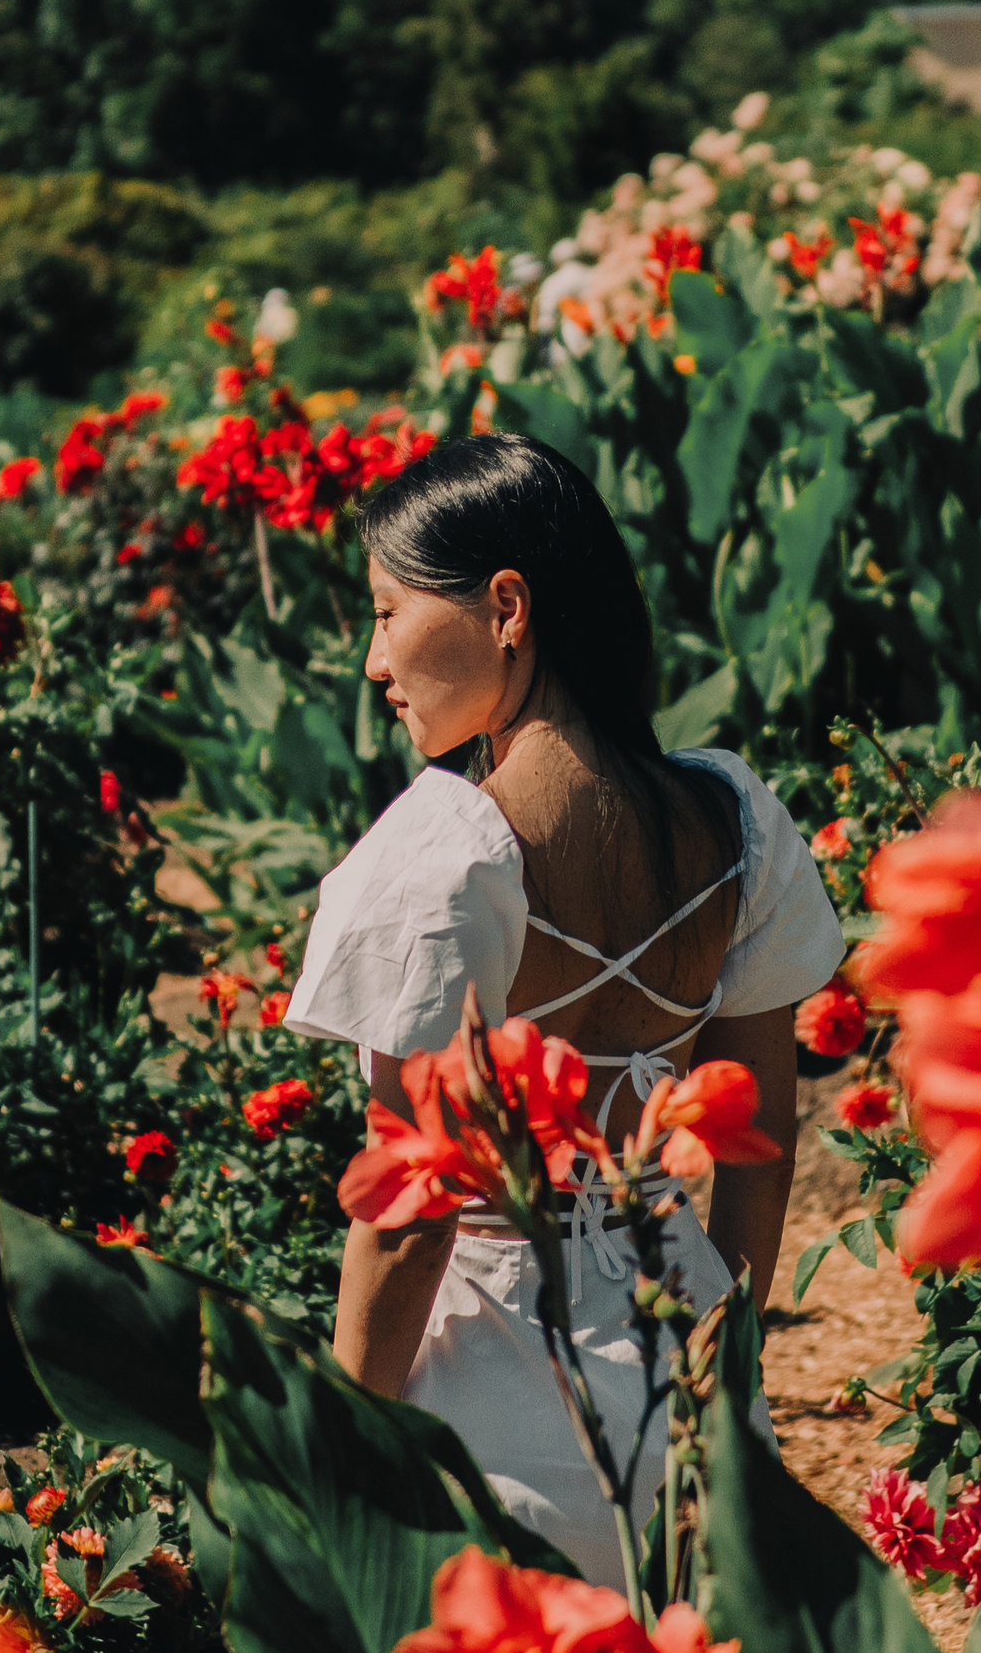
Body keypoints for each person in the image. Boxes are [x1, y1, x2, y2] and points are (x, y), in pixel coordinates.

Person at [285, 432, 846, 1587]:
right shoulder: (732, 820)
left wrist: (343, 1453)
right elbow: (761, 1141)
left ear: (505, 606)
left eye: (387, 612)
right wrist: (721, 1370)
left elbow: (409, 1213)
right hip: (681, 1361)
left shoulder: (442, 856)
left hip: (492, 1407)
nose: (371, 660)